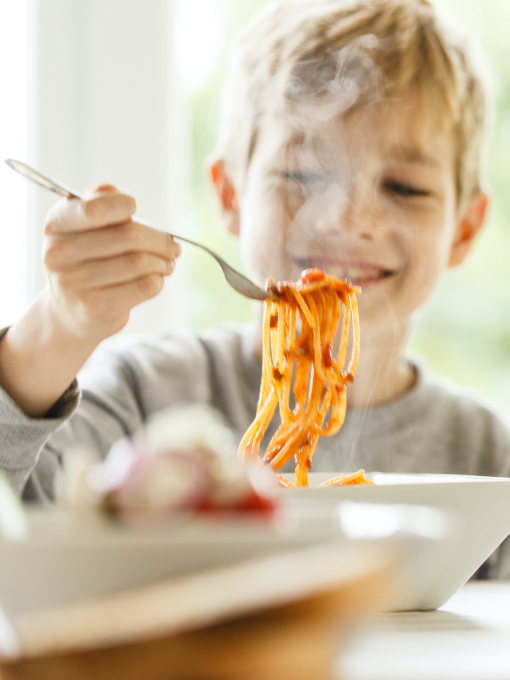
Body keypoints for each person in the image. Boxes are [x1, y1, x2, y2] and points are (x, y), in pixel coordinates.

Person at [0, 0, 508, 572]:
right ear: (229, 195)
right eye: (304, 175)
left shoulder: (489, 454)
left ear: (463, 229)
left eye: (404, 187)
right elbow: (15, 529)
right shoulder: (144, 391)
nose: (347, 219)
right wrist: (55, 330)